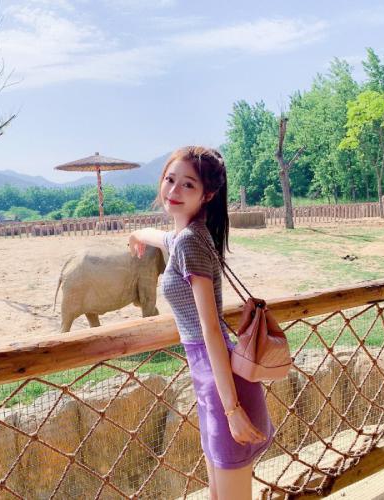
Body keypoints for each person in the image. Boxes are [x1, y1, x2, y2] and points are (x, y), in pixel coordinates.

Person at [128, 146, 275, 500]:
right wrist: (137, 234)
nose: (174, 191)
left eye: (188, 185)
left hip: (221, 383)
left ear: (207, 194)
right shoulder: (187, 236)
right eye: (170, 180)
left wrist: (232, 410)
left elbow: (210, 330)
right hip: (212, 380)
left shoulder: (191, 242)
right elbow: (162, 237)